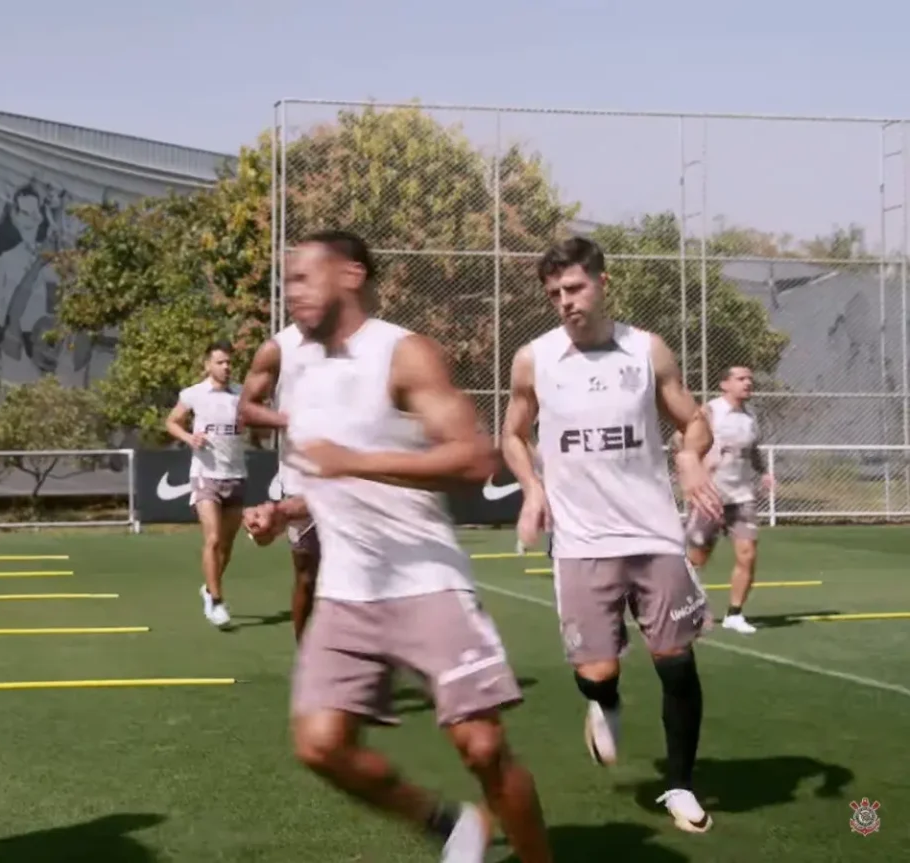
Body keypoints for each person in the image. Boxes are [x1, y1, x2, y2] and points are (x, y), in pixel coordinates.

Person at [246, 230, 552, 863]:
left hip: (425, 582)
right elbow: (330, 479)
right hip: (347, 593)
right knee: (320, 745)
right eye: (288, 280)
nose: (291, 291)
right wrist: (283, 511)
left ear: (351, 275)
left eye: (304, 276)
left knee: (483, 748)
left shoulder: (402, 353)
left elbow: (474, 458)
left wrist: (356, 462)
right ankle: (450, 824)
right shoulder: (301, 374)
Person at [500, 236, 723, 834]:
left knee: (676, 664)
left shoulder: (646, 351)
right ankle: (605, 705)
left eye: (573, 288)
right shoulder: (535, 360)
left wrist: (691, 458)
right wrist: (532, 488)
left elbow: (693, 420)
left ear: (601, 281)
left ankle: (679, 784)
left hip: (653, 535)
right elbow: (513, 434)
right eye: (554, 294)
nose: (565, 303)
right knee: (595, 674)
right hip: (580, 544)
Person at [239, 325, 322, 642]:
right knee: (307, 577)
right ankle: (308, 660)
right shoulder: (279, 348)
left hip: (354, 479)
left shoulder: (371, 342)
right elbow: (248, 407)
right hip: (299, 480)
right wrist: (287, 421)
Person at [681, 366, 772, 635]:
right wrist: (695, 468)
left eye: (750, 379)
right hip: (710, 496)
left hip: (742, 497)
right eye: (741, 379)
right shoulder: (710, 411)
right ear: (724, 384)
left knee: (748, 554)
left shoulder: (750, 417)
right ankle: (689, 610)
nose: (747, 383)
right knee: (695, 558)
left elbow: (753, 449)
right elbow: (682, 441)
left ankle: (735, 614)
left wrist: (764, 472)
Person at [165, 341, 247, 629]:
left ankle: (209, 587)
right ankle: (216, 599)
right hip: (205, 475)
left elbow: (254, 422)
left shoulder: (241, 394)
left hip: (236, 474)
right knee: (212, 540)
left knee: (226, 545)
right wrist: (189, 438)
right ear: (207, 365)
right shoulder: (194, 394)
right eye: (220, 362)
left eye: (229, 362)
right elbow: (172, 422)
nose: (226, 367)